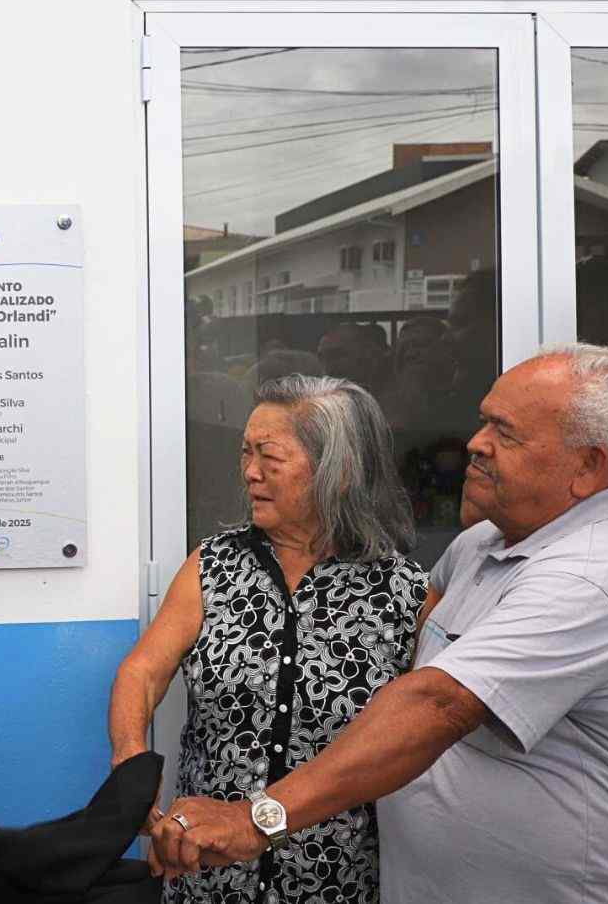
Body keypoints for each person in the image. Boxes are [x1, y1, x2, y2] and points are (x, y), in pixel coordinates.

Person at [153, 344, 608, 904]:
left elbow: (437, 704)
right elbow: (427, 634)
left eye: (505, 434)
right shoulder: (483, 544)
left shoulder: (594, 579)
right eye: (485, 421)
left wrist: (257, 819)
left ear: (587, 466)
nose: (475, 444)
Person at [109, 374, 427, 903]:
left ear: (338, 470)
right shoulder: (213, 566)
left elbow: (417, 737)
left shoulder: (404, 594)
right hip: (207, 875)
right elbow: (143, 671)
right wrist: (130, 763)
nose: (250, 472)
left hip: (337, 881)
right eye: (245, 453)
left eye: (269, 457)